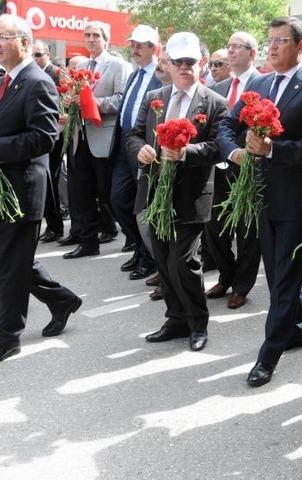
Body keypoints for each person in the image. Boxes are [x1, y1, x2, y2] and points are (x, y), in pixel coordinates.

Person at [218, 16, 302, 387]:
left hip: (297, 197)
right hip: (260, 194)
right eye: (269, 40)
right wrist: (236, 153)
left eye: (280, 40)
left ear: (300, 46)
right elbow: (226, 125)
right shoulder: (260, 82)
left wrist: (272, 149)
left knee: (284, 277)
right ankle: (300, 328)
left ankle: (269, 352)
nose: (271, 47)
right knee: (277, 272)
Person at [0, 15, 81, 366]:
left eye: (4, 38)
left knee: (9, 266)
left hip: (21, 190)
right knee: (10, 260)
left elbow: (44, 138)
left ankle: (8, 336)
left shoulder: (37, 82)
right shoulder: (6, 81)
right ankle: (61, 299)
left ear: (25, 42)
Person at [127, 32, 228, 352]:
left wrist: (186, 152)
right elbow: (131, 134)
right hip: (156, 191)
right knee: (163, 259)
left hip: (192, 193)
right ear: (167, 65)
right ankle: (175, 319)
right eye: (178, 62)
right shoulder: (155, 97)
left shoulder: (215, 102)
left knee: (184, 261)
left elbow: (218, 147)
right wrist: (140, 148)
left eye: (191, 62)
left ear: (200, 64)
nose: (185, 67)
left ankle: (198, 322)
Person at [63, 21, 131, 259]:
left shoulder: (118, 65)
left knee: (109, 193)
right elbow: (74, 95)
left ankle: (132, 237)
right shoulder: (81, 65)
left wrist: (93, 104)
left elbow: (122, 100)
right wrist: (70, 102)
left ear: (106, 39)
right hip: (79, 136)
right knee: (81, 191)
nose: (91, 39)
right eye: (87, 35)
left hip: (104, 135)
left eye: (95, 35)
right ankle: (88, 242)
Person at [206, 31, 262, 309]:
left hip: (250, 167)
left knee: (247, 230)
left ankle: (242, 284)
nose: (230, 52)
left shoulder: (263, 84)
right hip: (220, 164)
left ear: (252, 53)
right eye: (228, 47)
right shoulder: (219, 87)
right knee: (214, 226)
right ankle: (226, 275)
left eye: (237, 47)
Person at [111, 24, 162, 281]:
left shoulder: (160, 76)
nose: (135, 49)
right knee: (119, 200)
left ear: (156, 48)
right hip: (124, 146)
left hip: (145, 148)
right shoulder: (134, 74)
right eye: (132, 44)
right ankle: (138, 245)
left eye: (140, 45)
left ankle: (148, 255)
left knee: (144, 206)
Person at [31, 39, 67, 243]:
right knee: (45, 181)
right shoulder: (31, 74)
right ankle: (52, 225)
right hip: (40, 134)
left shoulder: (57, 73)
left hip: (57, 134)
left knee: (52, 181)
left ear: (48, 55)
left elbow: (72, 98)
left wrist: (64, 113)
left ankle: (56, 225)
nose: (35, 59)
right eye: (32, 55)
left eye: (38, 55)